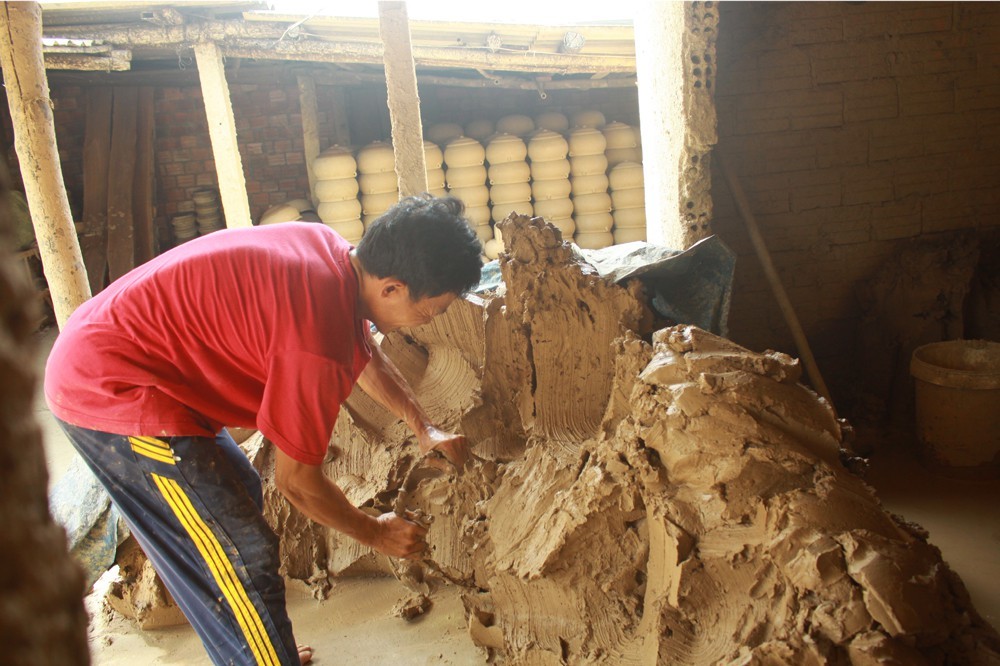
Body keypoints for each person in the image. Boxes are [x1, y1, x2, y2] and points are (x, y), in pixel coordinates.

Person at [45, 194, 483, 666]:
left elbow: (362, 350)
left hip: (138, 359)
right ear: (394, 288)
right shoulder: (313, 341)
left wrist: (424, 426)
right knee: (240, 553)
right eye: (431, 311)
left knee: (236, 498)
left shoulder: (330, 251)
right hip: (111, 384)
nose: (429, 320)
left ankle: (254, 649)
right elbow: (298, 484)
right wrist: (376, 533)